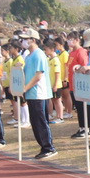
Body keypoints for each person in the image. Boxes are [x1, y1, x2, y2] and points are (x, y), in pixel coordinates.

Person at [21, 29, 57, 160]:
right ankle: (43, 146)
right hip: (31, 93)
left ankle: (49, 147)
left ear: (33, 40)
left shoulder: (39, 55)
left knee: (41, 121)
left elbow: (38, 75)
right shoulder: (29, 56)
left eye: (26, 39)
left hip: (39, 93)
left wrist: (25, 88)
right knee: (35, 122)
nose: (23, 41)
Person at [66, 32, 90, 138]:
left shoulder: (81, 52)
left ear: (77, 40)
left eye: (71, 39)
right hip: (73, 84)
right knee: (78, 108)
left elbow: (85, 67)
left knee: (82, 107)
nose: (68, 41)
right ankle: (81, 127)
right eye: (68, 39)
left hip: (80, 85)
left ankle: (87, 129)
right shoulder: (72, 52)